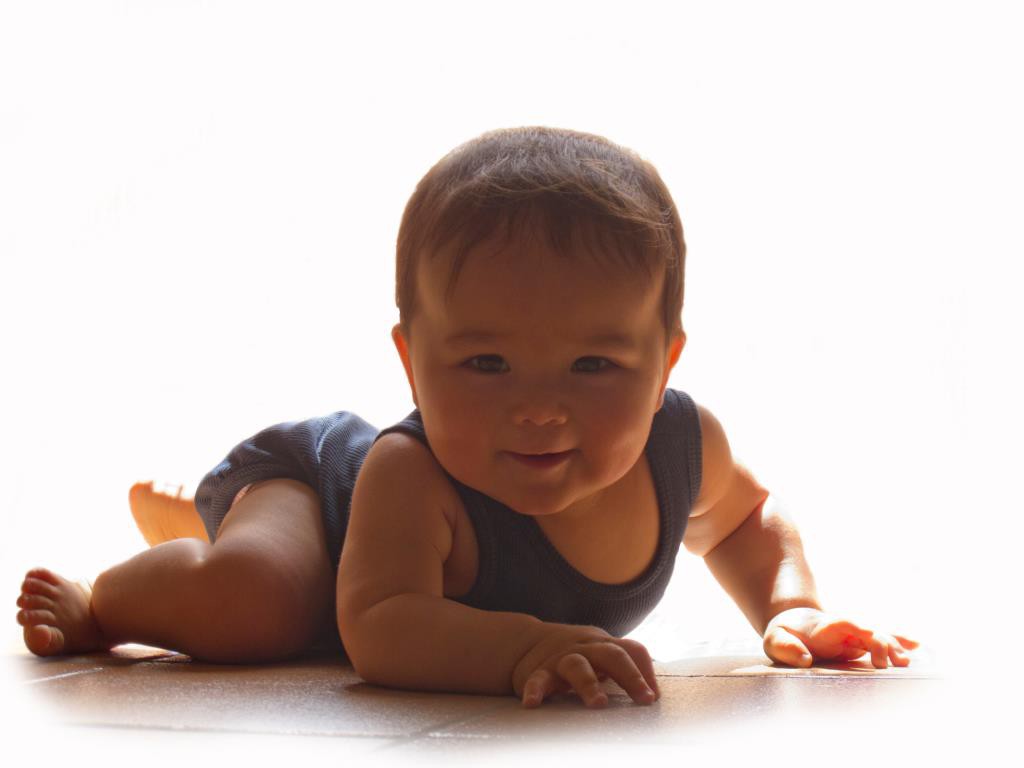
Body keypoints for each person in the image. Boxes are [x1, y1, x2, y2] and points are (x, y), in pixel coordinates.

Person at [16, 126, 917, 709]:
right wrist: (520, 646)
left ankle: (198, 510)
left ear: (664, 367)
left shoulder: (681, 446)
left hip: (368, 550)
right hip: (326, 503)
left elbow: (746, 519)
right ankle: (115, 596)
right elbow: (375, 627)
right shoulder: (415, 471)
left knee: (273, 595)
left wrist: (789, 605)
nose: (536, 406)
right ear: (411, 363)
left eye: (593, 364)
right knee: (255, 603)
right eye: (485, 362)